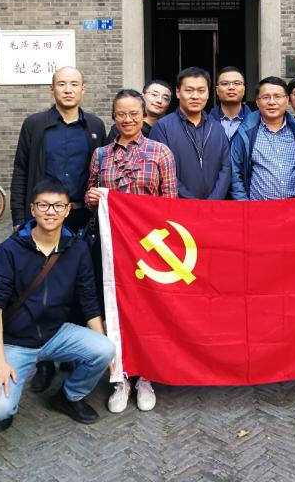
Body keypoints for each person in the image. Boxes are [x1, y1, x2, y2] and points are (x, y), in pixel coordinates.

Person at [0, 179, 114, 433]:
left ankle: (68, 396)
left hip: (56, 333)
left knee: (105, 348)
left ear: (67, 210)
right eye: (43, 205)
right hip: (16, 341)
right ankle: (7, 401)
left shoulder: (77, 249)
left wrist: (103, 348)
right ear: (33, 209)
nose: (50, 212)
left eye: (58, 206)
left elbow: (88, 300)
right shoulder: (10, 249)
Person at [10, 66, 106, 393]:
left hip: (81, 218)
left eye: (74, 84)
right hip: (44, 218)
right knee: (42, 286)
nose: (68, 89)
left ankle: (74, 352)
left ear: (83, 89)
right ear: (52, 89)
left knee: (80, 283)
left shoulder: (95, 127)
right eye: (61, 84)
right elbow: (21, 170)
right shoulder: (35, 125)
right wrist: (19, 217)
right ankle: (44, 362)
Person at [86, 89, 178, 413]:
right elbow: (89, 193)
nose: (127, 120)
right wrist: (93, 197)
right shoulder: (100, 155)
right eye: (121, 114)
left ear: (143, 115)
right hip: (111, 249)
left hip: (149, 250)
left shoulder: (160, 152)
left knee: (147, 311)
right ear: (114, 117)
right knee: (114, 309)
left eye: (134, 114)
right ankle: (120, 377)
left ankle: (146, 377)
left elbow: (171, 204)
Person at [231, 76, 295, 200]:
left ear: (287, 100)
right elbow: (235, 174)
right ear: (257, 102)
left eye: (277, 96)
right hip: (258, 208)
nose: (272, 102)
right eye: (266, 97)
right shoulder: (245, 133)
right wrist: (244, 204)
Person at [150, 67, 231, 200]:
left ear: (208, 94)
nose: (195, 96)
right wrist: (192, 203)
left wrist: (214, 200)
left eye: (201, 91)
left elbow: (226, 168)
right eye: (189, 90)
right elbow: (161, 172)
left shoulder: (217, 127)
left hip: (214, 206)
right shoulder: (162, 127)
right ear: (178, 92)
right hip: (178, 206)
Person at [106, 80, 172, 142]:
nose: (159, 100)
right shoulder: (124, 126)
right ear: (142, 96)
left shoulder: (167, 129)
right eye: (154, 95)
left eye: (165, 98)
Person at [209, 66, 252, 141]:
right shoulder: (206, 122)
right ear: (217, 90)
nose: (231, 87)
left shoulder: (257, 123)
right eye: (225, 83)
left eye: (237, 83)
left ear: (244, 89)